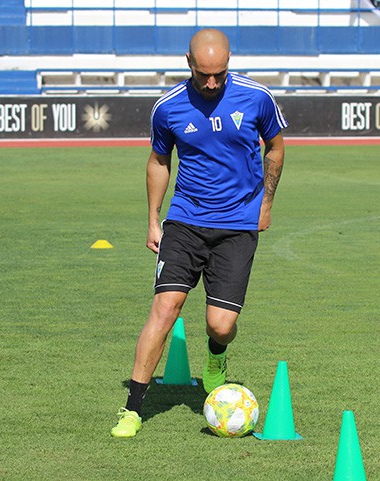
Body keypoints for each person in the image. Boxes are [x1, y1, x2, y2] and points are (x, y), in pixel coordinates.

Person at [111, 28, 287, 438]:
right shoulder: (168, 107)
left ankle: (215, 359)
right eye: (204, 74)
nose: (212, 82)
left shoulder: (257, 97)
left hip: (238, 227)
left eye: (220, 74)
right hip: (185, 221)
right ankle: (133, 408)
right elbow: (159, 160)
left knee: (221, 326)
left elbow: (276, 147)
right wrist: (154, 218)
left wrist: (267, 202)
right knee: (165, 307)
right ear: (188, 63)